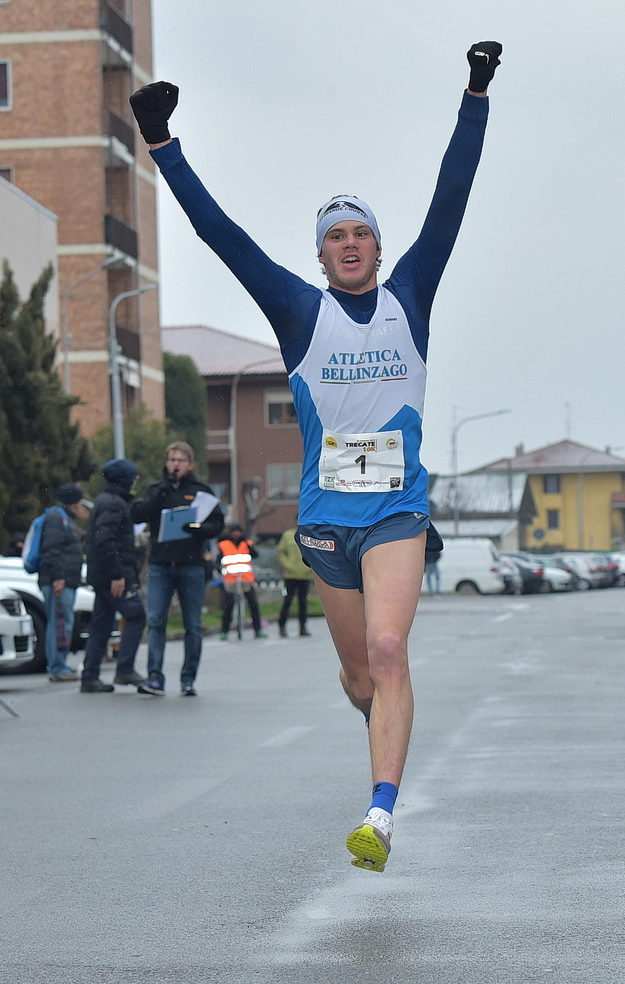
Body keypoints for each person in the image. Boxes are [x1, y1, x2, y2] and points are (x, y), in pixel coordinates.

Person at [130, 40, 502, 871]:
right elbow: (220, 234)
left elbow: (453, 198)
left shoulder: (411, 295)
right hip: (327, 521)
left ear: (379, 244)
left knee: (391, 651)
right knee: (363, 681)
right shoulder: (299, 312)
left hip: (397, 512)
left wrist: (475, 94)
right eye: (335, 235)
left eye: (361, 231)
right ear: (321, 254)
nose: (350, 243)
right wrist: (163, 144)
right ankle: (379, 721)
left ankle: (380, 815)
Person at [131, 441, 224, 696]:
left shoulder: (200, 492)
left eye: (180, 460)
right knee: (156, 621)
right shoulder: (156, 490)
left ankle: (188, 679)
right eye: (171, 460)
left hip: (191, 565)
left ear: (190, 464)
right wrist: (159, 494)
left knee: (192, 625)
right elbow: (137, 515)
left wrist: (197, 529)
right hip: (161, 565)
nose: (175, 465)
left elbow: (217, 524)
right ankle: (155, 677)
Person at [79, 459, 147, 693]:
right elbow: (105, 540)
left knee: (102, 624)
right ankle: (125, 669)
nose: (136, 480)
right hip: (113, 576)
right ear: (126, 480)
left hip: (101, 575)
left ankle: (90, 676)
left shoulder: (107, 501)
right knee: (136, 615)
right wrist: (118, 575)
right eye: (134, 476)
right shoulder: (114, 505)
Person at [38, 484, 87, 682]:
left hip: (64, 580)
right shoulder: (57, 519)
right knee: (59, 624)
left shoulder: (63, 518)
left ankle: (60, 664)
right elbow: (52, 549)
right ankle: (57, 667)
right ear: (74, 502)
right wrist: (58, 577)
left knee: (61, 623)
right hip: (58, 582)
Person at [216, 523, 266, 640]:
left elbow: (255, 555)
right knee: (228, 605)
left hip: (246, 578)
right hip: (230, 579)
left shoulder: (247, 544)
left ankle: (258, 629)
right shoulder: (223, 544)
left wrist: (249, 546)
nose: (237, 534)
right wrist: (218, 568)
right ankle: (224, 631)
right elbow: (218, 560)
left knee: (253, 604)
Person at [277, 525, 313, 637]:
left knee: (303, 602)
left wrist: (310, 567)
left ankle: (303, 627)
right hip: (290, 575)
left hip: (305, 575)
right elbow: (281, 552)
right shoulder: (288, 535)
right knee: (288, 601)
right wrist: (287, 565)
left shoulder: (309, 535)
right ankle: (282, 626)